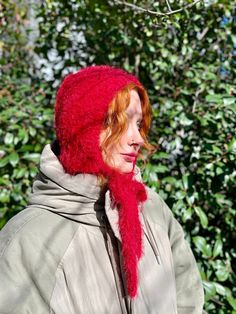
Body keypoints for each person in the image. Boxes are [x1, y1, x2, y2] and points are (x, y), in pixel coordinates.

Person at [0, 65, 204, 314]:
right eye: (117, 122)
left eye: (138, 124)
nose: (138, 138)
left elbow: (189, 300)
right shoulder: (26, 240)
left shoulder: (152, 209)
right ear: (80, 128)